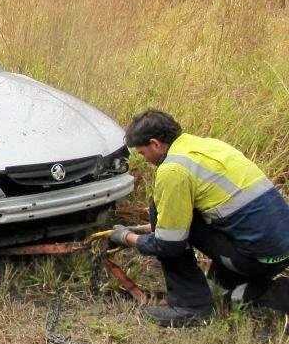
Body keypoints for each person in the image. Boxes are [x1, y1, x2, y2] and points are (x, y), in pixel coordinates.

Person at [112, 110, 289, 327]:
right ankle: (245, 289)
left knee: (160, 215)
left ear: (155, 144)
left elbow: (168, 244)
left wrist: (126, 237)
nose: (145, 159)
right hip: (279, 251)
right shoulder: (206, 145)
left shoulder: (173, 170)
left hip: (258, 259)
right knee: (221, 291)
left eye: (142, 153)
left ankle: (191, 307)